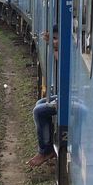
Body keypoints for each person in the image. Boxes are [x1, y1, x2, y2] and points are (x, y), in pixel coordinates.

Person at [27, 26, 59, 167]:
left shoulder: (70, 51)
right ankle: (48, 146)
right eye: (53, 38)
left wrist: (53, 45)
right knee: (40, 103)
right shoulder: (62, 50)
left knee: (39, 111)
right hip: (67, 95)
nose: (54, 42)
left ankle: (45, 151)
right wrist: (54, 45)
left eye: (56, 38)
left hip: (75, 99)